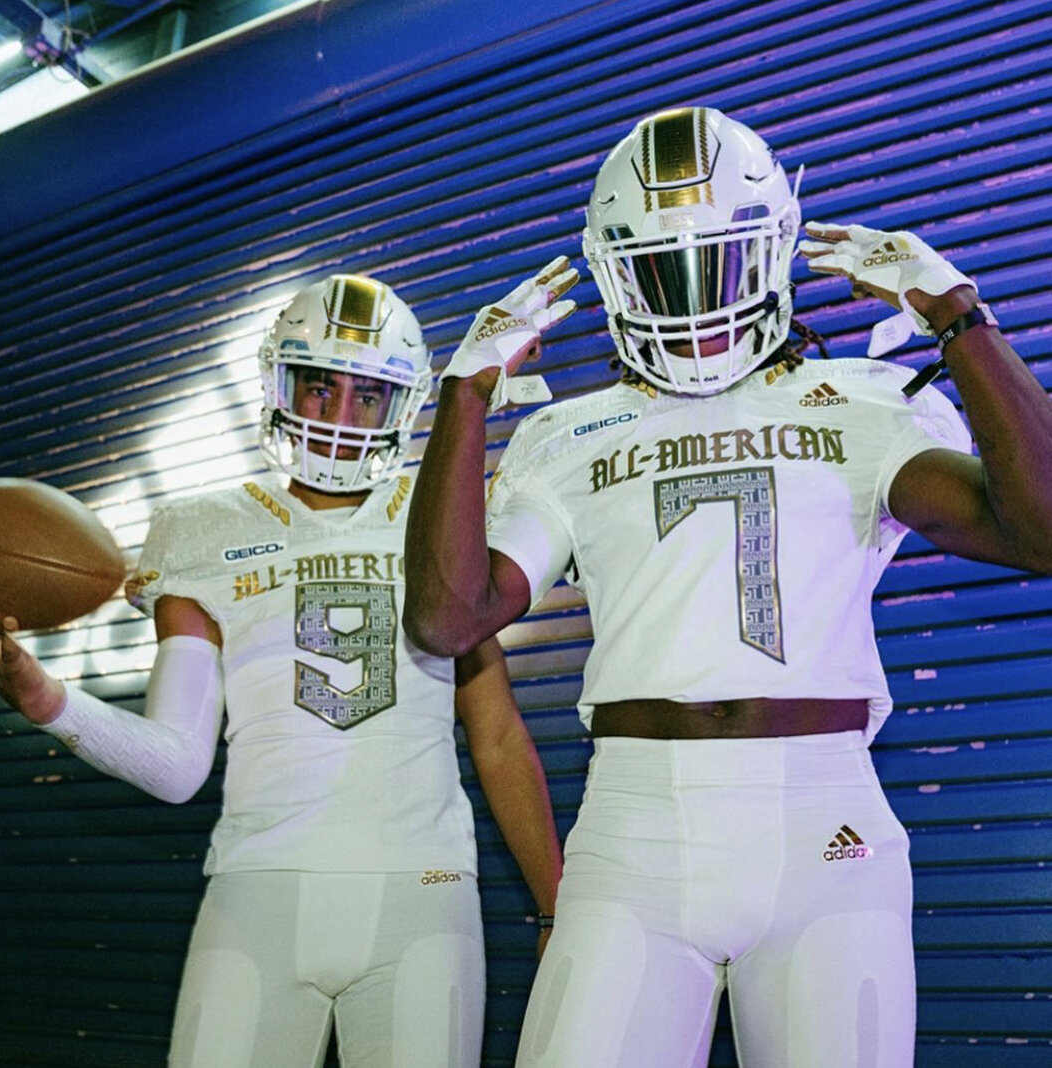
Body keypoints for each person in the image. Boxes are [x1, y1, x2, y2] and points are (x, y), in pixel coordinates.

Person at [401, 106, 1052, 1068]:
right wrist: (463, 395)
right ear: (617, 274)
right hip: (633, 827)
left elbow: (1041, 533)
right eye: (664, 269)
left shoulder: (862, 400)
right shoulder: (568, 435)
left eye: (718, 259)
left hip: (822, 823)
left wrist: (956, 314)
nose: (696, 296)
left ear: (772, 250)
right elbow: (448, 617)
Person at [0, 273, 562, 1068]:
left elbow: (497, 734)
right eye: (319, 387)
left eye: (367, 396)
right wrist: (42, 695)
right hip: (255, 894)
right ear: (276, 383)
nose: (338, 417)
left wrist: (554, 907)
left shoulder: (434, 511)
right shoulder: (198, 530)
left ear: (401, 406)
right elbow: (176, 766)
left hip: (422, 896)